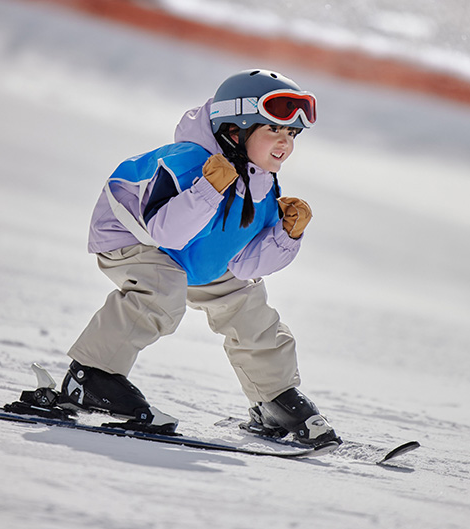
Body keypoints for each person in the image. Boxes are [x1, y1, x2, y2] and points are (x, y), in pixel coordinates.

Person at [59, 69, 338, 446]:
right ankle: (90, 377)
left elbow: (245, 263)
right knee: (161, 289)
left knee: (247, 303)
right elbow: (165, 231)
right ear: (235, 129)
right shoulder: (189, 160)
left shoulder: (263, 183)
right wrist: (207, 188)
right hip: (134, 239)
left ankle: (272, 399)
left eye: (291, 134)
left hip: (195, 256)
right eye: (273, 130)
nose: (285, 143)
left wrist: (287, 236)